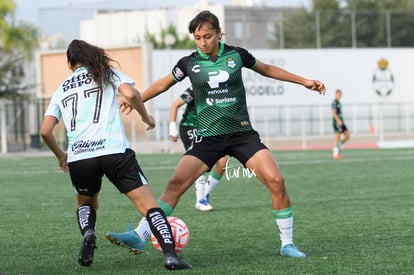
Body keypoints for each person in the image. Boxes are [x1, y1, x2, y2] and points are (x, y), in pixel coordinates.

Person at [106, 10, 326, 259]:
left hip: (242, 135)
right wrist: (137, 99)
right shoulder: (188, 63)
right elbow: (164, 83)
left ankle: (287, 244)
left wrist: (304, 81)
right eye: (197, 37)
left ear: (219, 33)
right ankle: (139, 235)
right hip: (208, 138)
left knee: (277, 181)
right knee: (175, 185)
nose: (202, 42)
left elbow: (266, 69)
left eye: (207, 36)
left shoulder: (236, 55)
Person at [40, 39, 191, 270]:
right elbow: (130, 94)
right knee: (149, 206)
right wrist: (145, 117)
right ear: (91, 55)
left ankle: (89, 231)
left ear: (70, 63)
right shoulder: (105, 72)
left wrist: (61, 155)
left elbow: (45, 131)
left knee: (85, 203)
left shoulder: (62, 88)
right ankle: (170, 255)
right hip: (114, 151)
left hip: (80, 157)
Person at [169, 86, 228, 211]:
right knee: (199, 159)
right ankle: (200, 200)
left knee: (223, 161)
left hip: (208, 129)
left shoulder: (223, 90)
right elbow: (175, 105)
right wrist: (172, 129)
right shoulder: (195, 88)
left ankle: (205, 193)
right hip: (189, 127)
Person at [332, 89, 350, 159]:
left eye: (340, 94)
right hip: (337, 122)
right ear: (336, 94)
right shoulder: (334, 102)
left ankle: (337, 147)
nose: (340, 96)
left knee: (347, 136)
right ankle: (335, 153)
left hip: (341, 121)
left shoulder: (339, 102)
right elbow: (334, 113)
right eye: (339, 94)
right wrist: (338, 120)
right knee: (338, 137)